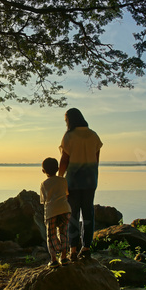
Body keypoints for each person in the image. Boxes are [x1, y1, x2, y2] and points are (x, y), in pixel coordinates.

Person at [58, 108, 103, 261]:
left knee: (73, 215)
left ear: (70, 120)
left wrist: (59, 177)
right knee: (88, 212)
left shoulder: (69, 136)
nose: (66, 123)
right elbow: (96, 160)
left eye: (66, 120)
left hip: (73, 181)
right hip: (91, 181)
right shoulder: (93, 135)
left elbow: (64, 160)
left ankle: (73, 249)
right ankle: (87, 247)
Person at [40, 157, 72, 268]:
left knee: (51, 235)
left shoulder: (44, 184)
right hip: (65, 209)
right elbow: (66, 193)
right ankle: (64, 257)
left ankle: (53, 259)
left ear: (43, 171)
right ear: (58, 169)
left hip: (51, 211)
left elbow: (43, 200)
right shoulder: (63, 180)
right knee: (64, 232)